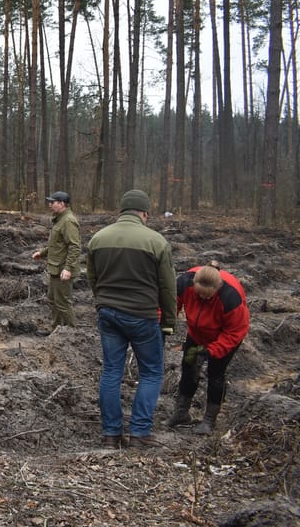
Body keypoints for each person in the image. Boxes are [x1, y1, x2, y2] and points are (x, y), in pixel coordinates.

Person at [86, 189, 177, 450]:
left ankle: (110, 436)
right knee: (150, 372)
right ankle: (139, 434)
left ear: (122, 211)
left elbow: (92, 278)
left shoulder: (98, 239)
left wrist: (100, 302)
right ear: (145, 213)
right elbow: (168, 288)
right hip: (142, 316)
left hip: (108, 314)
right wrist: (169, 321)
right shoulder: (156, 241)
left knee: (111, 372)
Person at [166, 263, 250, 434]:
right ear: (193, 284)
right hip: (197, 333)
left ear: (217, 288)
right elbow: (170, 305)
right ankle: (181, 412)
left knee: (216, 374)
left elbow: (235, 332)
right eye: (199, 295)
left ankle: (209, 420)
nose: (202, 298)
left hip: (223, 336)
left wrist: (211, 351)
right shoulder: (184, 283)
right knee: (188, 368)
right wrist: (163, 325)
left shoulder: (230, 298)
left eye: (207, 297)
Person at [31, 191, 81, 332]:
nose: (50, 204)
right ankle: (56, 329)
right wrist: (42, 253)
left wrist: (68, 268)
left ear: (62, 204)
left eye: (52, 202)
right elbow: (57, 244)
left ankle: (72, 332)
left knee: (63, 302)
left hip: (62, 270)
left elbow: (75, 247)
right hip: (55, 268)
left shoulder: (68, 221)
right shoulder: (60, 219)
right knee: (53, 299)